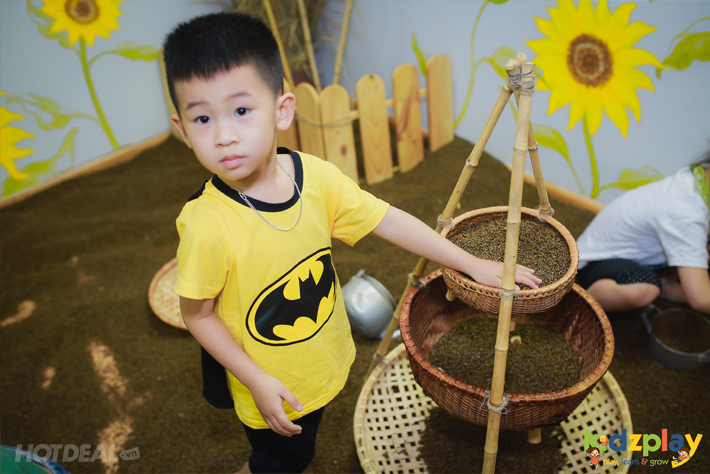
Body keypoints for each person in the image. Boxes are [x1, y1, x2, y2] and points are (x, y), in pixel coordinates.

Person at [162, 12, 540, 474]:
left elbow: (389, 220)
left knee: (302, 442)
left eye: (241, 111)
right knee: (281, 461)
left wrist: (471, 263)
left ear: (282, 110)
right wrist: (255, 379)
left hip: (320, 349)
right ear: (182, 129)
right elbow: (197, 314)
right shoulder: (207, 225)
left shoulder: (316, 177)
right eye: (203, 118)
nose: (224, 136)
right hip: (264, 376)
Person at [576, 152, 710, 314]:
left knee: (698, 245)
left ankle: (666, 282)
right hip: (595, 262)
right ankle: (578, 307)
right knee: (643, 289)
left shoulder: (698, 179)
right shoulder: (685, 211)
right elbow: (701, 300)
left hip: (641, 255)